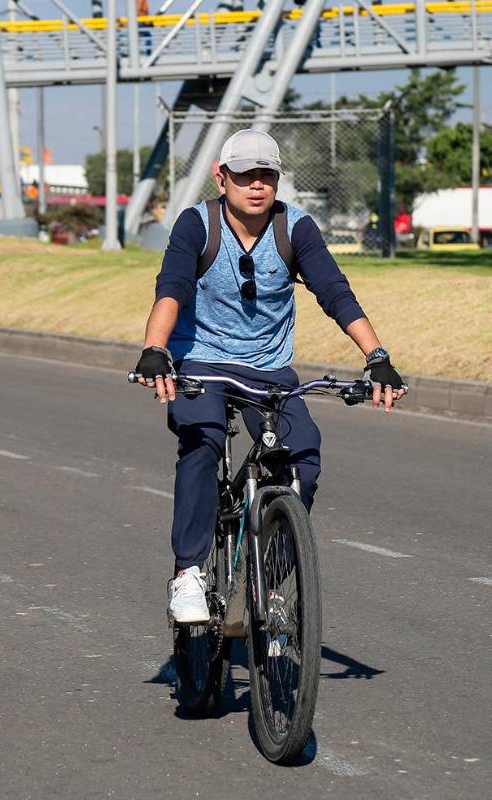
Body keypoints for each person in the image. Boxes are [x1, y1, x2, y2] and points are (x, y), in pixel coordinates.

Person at [132, 129, 406, 623]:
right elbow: (171, 287)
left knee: (303, 458)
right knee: (204, 438)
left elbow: (335, 293)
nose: (256, 186)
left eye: (267, 176)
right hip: (201, 361)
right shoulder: (197, 224)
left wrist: (377, 357)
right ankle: (189, 573)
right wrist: (155, 350)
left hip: (270, 370)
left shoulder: (295, 228)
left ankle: (267, 582)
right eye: (245, 176)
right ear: (222, 177)